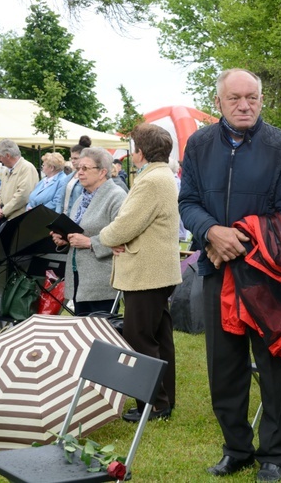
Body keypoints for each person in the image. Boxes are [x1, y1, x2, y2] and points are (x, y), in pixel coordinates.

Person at [178, 68, 281, 481]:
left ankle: (273, 454)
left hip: (266, 277)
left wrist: (237, 239)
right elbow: (189, 202)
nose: (244, 105)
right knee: (224, 366)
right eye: (235, 98)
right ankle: (237, 447)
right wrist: (211, 233)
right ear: (219, 102)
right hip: (215, 272)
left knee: (273, 369)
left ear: (262, 99)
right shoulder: (198, 144)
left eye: (252, 97)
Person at [100, 124, 182, 422]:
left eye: (133, 147)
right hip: (155, 271)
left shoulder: (151, 181)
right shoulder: (161, 176)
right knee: (158, 338)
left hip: (147, 272)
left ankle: (154, 403)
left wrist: (108, 237)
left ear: (141, 152)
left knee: (140, 338)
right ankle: (163, 401)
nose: (130, 152)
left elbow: (126, 224)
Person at [50, 147, 126, 315]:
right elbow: (80, 233)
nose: (79, 173)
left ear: (102, 172)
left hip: (102, 282)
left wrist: (90, 242)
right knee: (82, 335)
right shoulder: (81, 199)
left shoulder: (117, 197)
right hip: (79, 279)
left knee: (101, 335)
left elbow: (123, 237)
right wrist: (65, 239)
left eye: (85, 168)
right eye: (78, 169)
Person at [0, 140, 38, 221]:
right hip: (6, 218)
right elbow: (1, 192)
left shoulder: (26, 168)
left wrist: (3, 211)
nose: (0, 160)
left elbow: (23, 195)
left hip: (19, 220)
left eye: (0, 156)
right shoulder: (6, 170)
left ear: (7, 155)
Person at [62, 137, 91, 214]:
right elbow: (61, 198)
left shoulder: (88, 177)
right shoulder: (69, 177)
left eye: (75, 158)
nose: (72, 161)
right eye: (71, 158)